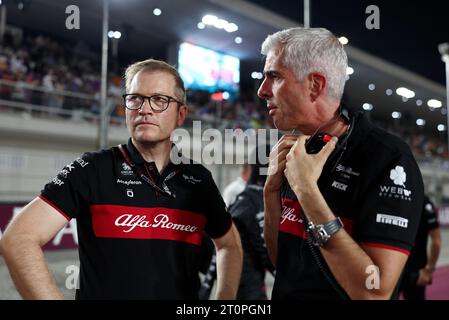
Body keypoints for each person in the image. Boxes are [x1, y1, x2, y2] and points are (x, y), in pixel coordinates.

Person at [0, 59, 243, 300]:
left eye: (159, 100)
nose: (144, 109)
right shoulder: (92, 169)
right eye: (135, 98)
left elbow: (229, 245)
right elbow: (18, 238)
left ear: (181, 114)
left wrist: (225, 297)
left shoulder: (198, 179)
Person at [258, 27, 424, 300]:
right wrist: (271, 192)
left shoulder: (389, 159)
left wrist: (307, 191)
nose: (262, 90)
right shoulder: (296, 149)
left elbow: (374, 293)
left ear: (315, 85)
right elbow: (281, 264)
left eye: (274, 76)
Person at [199, 145, 275, 300]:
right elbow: (264, 250)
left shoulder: (247, 198)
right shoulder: (252, 202)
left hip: (241, 279)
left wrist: (205, 289)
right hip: (246, 283)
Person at [399, 194, 441, 300]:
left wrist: (428, 269)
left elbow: (436, 241)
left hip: (408, 269)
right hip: (407, 269)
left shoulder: (424, 202)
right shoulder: (423, 200)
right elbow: (436, 240)